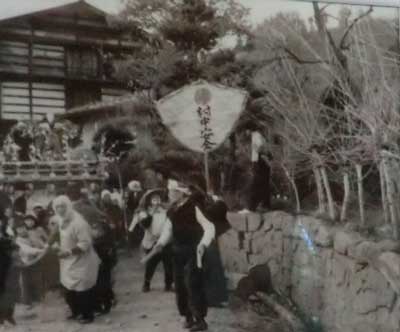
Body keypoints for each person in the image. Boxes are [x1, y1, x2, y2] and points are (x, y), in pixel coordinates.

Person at [165, 179, 215, 332]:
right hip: (177, 251)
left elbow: (209, 227)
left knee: (192, 284)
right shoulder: (171, 210)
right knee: (180, 285)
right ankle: (187, 316)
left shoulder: (194, 207)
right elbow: (167, 230)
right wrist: (160, 243)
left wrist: (203, 244)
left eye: (172, 191)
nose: (169, 194)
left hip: (194, 251)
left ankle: (200, 320)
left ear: (180, 193)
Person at [53, 195, 100, 324]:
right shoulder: (61, 221)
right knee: (69, 289)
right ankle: (76, 312)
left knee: (82, 290)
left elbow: (85, 243)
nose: (60, 209)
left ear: (68, 206)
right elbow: (58, 236)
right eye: (57, 207)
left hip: (82, 260)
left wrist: (68, 252)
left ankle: (87, 315)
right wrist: (55, 245)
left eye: (63, 206)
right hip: (68, 262)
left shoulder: (79, 223)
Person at [129, 189, 173, 293]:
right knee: (151, 264)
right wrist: (151, 214)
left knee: (168, 264)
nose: (156, 201)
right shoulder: (144, 212)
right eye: (154, 199)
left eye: (158, 198)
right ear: (149, 201)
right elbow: (145, 225)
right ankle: (146, 283)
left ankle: (168, 284)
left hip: (165, 240)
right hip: (151, 241)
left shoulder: (165, 210)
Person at [91, 219, 117, 315]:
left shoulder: (104, 243)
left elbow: (109, 257)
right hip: (100, 267)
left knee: (102, 286)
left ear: (103, 231)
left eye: (96, 229)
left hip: (104, 267)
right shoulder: (98, 241)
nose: (93, 231)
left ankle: (107, 305)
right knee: (103, 286)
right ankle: (109, 300)